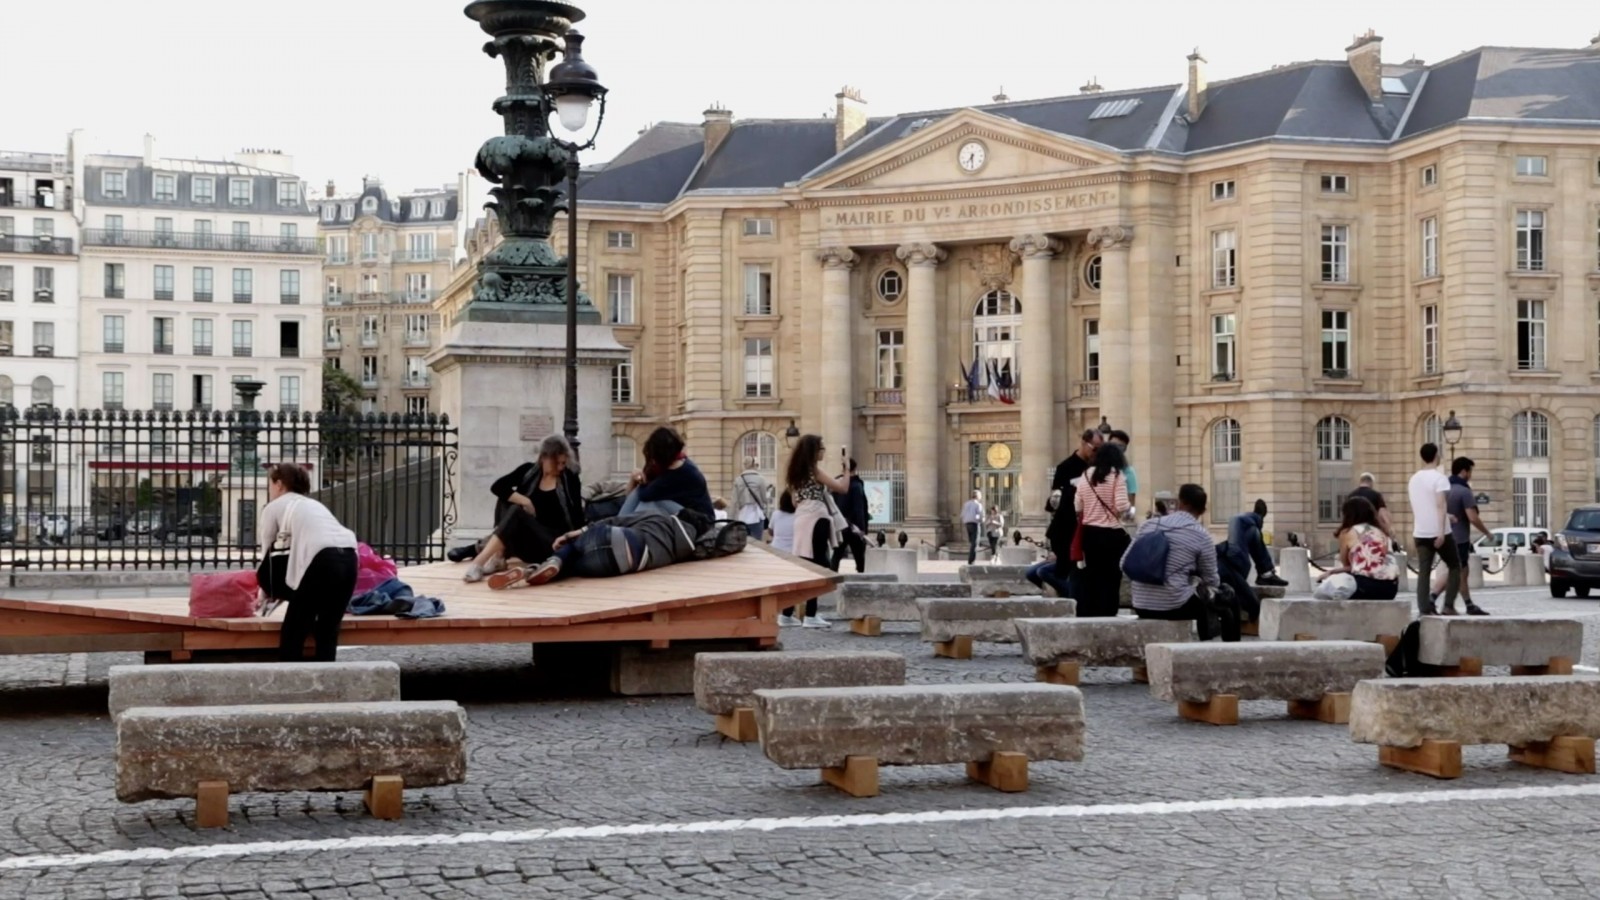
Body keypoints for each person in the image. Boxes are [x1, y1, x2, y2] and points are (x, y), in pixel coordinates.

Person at [257, 463, 359, 662]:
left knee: (295, 627)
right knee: (328, 627)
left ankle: (289, 678)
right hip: (350, 557)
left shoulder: (274, 507)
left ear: (278, 484)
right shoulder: (314, 505)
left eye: (270, 484)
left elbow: (267, 555)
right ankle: (326, 677)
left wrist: (265, 591)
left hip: (322, 559)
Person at [464, 435, 585, 586]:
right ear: (544, 458)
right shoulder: (528, 471)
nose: (561, 467)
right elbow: (497, 487)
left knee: (516, 510)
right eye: (557, 463)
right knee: (506, 499)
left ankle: (478, 563)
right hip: (528, 541)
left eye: (563, 463)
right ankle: (499, 557)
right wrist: (525, 500)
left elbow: (578, 518)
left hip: (552, 543)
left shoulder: (570, 479)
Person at [1129, 483, 1239, 642]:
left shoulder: (1149, 525)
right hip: (1173, 605)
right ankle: (1223, 652)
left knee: (1200, 602)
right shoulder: (1201, 535)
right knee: (1227, 603)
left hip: (1141, 604)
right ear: (1203, 509)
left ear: (1180, 502)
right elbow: (1212, 580)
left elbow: (1124, 563)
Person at [514, 508, 713, 587]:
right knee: (573, 568)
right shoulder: (685, 551)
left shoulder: (661, 518)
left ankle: (549, 563)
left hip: (619, 536)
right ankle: (538, 570)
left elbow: (618, 519)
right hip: (618, 564)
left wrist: (574, 532)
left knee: (573, 547)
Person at [780, 434, 850, 628]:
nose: (823, 452)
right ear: (814, 451)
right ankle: (811, 615)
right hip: (817, 518)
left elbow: (794, 501)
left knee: (803, 566)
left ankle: (786, 613)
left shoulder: (794, 474)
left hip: (801, 519)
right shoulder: (814, 471)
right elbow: (842, 488)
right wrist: (846, 469)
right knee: (819, 566)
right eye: (822, 449)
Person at [1073, 442, 1132, 618]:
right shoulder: (1117, 475)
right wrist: (1129, 507)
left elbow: (1077, 504)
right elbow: (1122, 504)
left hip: (1090, 533)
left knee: (1092, 575)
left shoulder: (1085, 475)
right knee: (1112, 577)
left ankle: (1092, 612)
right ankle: (1108, 612)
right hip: (1112, 533)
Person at [1044, 429, 1103, 593]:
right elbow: (1055, 500)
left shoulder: (1097, 468)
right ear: (1084, 443)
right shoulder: (1065, 467)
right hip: (1066, 530)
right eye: (1095, 448)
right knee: (1067, 573)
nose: (1096, 453)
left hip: (1088, 529)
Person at [619, 427, 714, 521]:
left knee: (650, 504)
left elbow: (645, 495)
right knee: (641, 496)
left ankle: (623, 529)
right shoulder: (677, 464)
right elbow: (636, 495)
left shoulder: (682, 473)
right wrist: (633, 479)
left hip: (701, 521)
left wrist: (642, 482)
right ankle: (619, 525)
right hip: (683, 511)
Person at [1407, 442, 1458, 616]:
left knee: (1424, 571)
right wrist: (1441, 532)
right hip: (1439, 531)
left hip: (1420, 531)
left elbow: (1424, 505)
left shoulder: (1414, 479)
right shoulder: (1439, 478)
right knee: (1455, 566)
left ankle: (1424, 608)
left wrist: (1447, 517)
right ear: (1436, 455)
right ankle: (1448, 605)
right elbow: (1439, 505)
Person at [1316, 496, 1400, 599]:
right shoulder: (1382, 533)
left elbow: (1348, 565)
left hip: (1364, 587)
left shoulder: (1348, 532)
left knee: (1326, 590)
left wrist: (1330, 573)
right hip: (1390, 589)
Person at [1444, 457, 1492, 615]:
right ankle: (1442, 600)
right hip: (1460, 538)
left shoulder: (1444, 488)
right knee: (1460, 572)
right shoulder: (1464, 491)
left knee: (1457, 571)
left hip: (1444, 535)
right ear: (1464, 471)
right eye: (1470, 471)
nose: (1471, 474)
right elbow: (1472, 517)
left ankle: (1466, 604)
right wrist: (1487, 532)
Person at [829, 458, 869, 574]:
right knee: (859, 558)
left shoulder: (836, 484)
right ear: (855, 469)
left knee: (836, 556)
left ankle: (832, 579)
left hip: (840, 524)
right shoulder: (856, 485)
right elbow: (859, 508)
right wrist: (862, 528)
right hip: (854, 526)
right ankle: (861, 580)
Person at [731, 457, 772, 540]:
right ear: (754, 465)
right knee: (757, 543)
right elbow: (764, 499)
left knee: (742, 543)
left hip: (742, 516)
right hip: (756, 515)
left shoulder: (738, 480)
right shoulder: (760, 479)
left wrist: (732, 519)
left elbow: (734, 501)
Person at [1351, 472, 1393, 538]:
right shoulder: (1376, 495)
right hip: (1371, 530)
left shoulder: (1351, 495)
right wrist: (1389, 528)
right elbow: (1382, 513)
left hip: (1354, 531)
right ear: (1371, 482)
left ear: (1361, 481)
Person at [1107, 430, 1139, 510]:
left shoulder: (1128, 471)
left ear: (1125, 449)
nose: (1115, 449)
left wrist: (1130, 517)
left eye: (1120, 446)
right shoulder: (1096, 469)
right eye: (1113, 445)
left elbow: (1132, 500)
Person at [961, 490, 983, 565]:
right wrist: (981, 520)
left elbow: (962, 514)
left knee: (971, 542)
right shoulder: (978, 505)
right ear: (978, 496)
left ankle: (971, 558)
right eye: (980, 496)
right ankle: (971, 560)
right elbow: (980, 515)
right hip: (974, 524)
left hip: (967, 524)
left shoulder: (966, 504)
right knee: (975, 542)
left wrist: (965, 520)